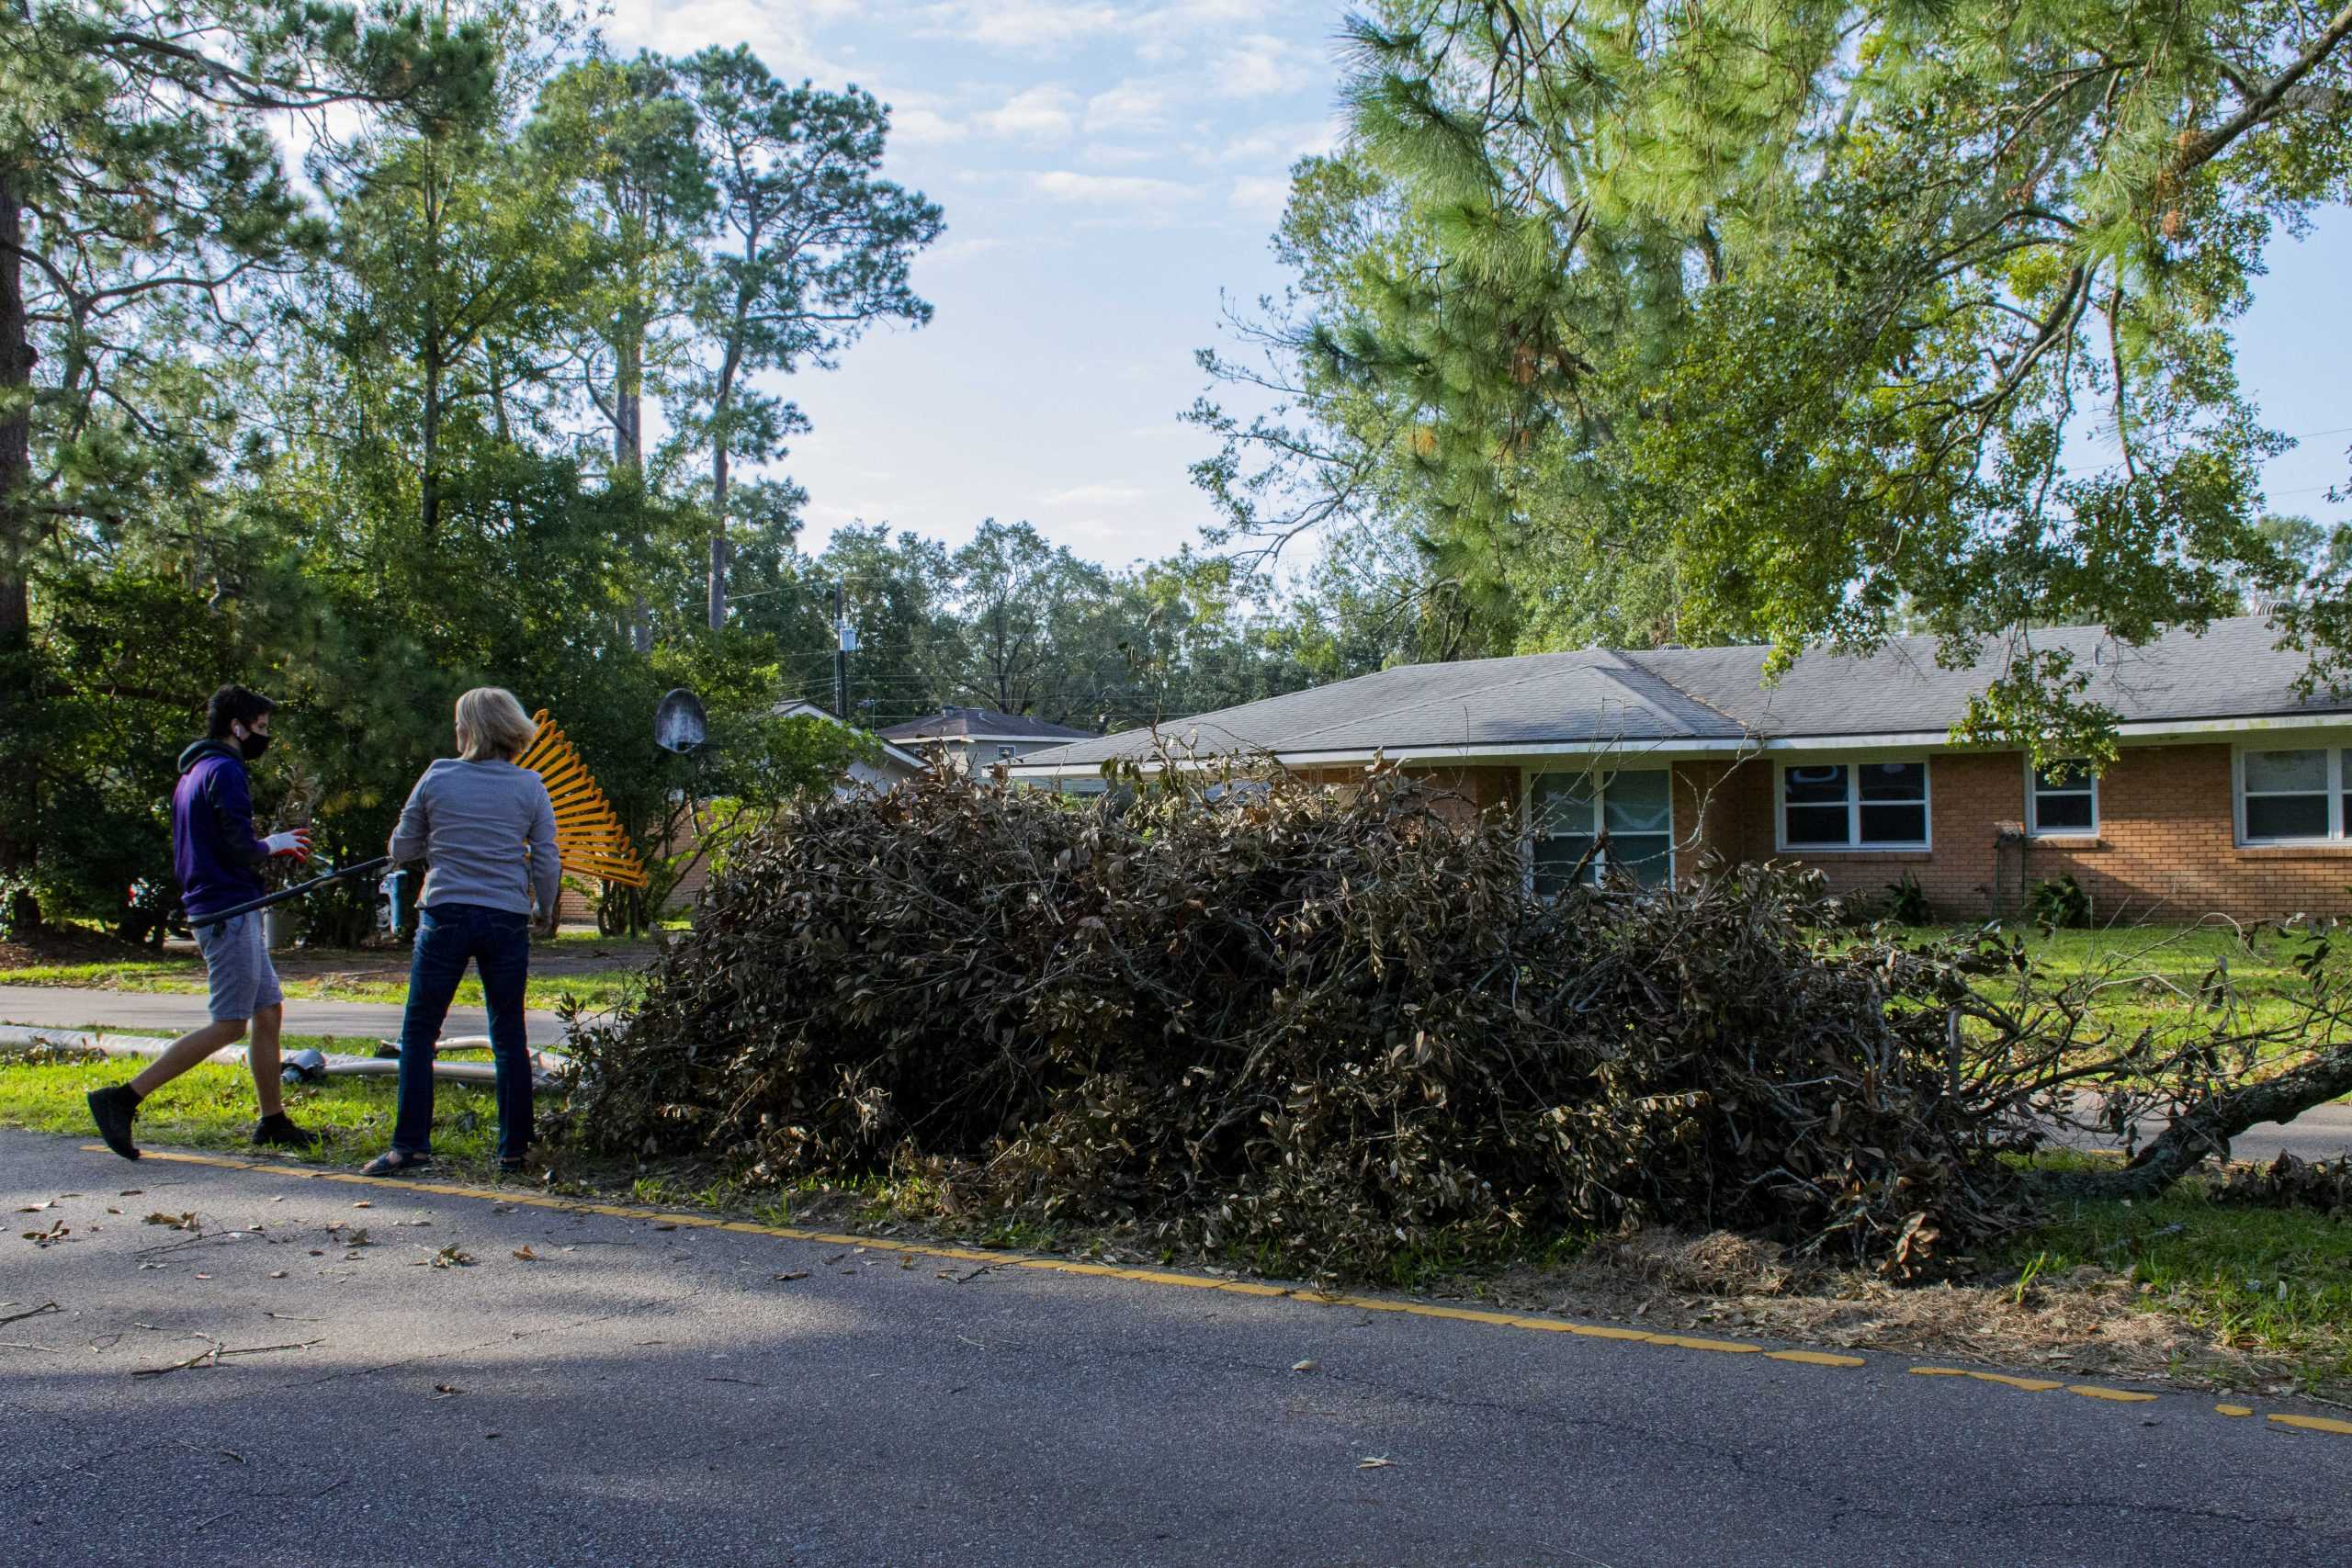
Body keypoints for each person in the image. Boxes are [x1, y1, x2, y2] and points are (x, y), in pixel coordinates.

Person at [86, 685, 316, 1160]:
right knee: (230, 1024)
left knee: (268, 1011)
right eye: (261, 727)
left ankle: (272, 1121)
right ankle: (122, 1099)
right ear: (236, 726)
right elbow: (238, 846)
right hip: (226, 910)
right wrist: (273, 844)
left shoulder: (193, 773)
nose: (265, 736)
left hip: (225, 906)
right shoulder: (226, 771)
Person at [362, 687, 560, 1177]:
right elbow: (547, 857)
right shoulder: (530, 785)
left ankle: (409, 1145)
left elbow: (402, 847)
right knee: (508, 1032)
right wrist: (546, 908)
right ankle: (514, 1148)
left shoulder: (438, 776)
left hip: (446, 911)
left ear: (467, 730)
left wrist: (438, 835)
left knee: (420, 1030)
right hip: (505, 917)